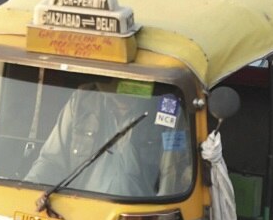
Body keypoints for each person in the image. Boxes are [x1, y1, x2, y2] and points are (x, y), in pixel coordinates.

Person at [24, 82, 189, 197]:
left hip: (137, 218)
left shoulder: (167, 109)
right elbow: (51, 160)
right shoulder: (83, 100)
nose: (116, 86)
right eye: (110, 79)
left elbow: (170, 173)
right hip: (82, 210)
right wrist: (28, 191)